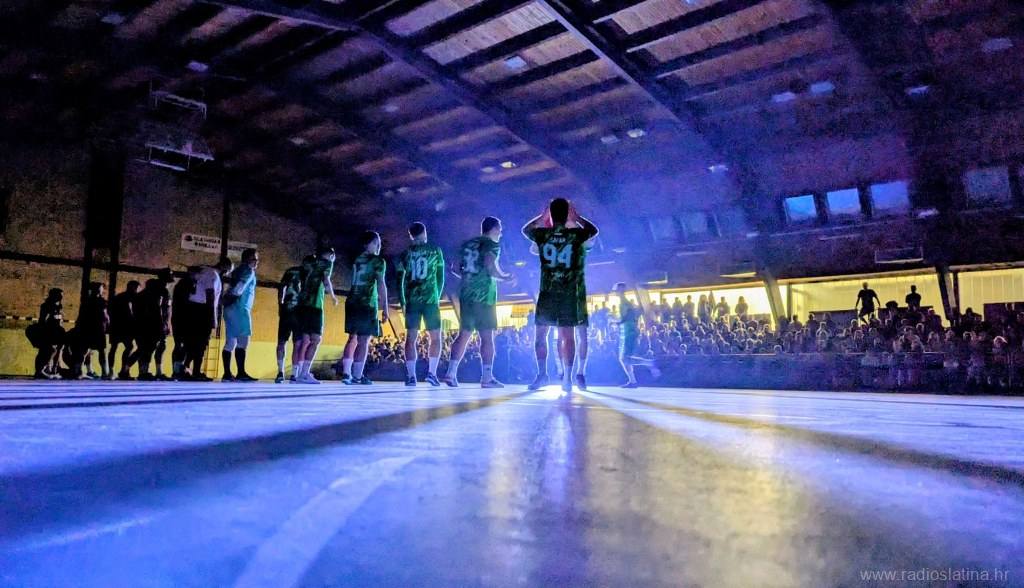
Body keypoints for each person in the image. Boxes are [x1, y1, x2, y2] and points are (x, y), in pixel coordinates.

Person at [522, 198, 598, 393]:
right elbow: (593, 230)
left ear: (551, 214)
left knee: (541, 336)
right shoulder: (575, 235)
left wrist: (542, 217)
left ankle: (542, 375)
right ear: (567, 214)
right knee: (568, 337)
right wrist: (577, 217)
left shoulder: (543, 234)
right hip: (568, 293)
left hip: (547, 292)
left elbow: (526, 230)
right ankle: (567, 379)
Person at [446, 216, 516, 387]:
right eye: (500, 230)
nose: (500, 233)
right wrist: (505, 277)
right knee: (487, 337)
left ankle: (450, 374)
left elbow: (455, 267)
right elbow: (490, 266)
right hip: (483, 295)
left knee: (464, 333)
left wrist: (468, 276)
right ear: (494, 229)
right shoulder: (491, 245)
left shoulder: (467, 244)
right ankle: (487, 377)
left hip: (466, 293)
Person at [396, 222, 445, 387]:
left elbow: (399, 279)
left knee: (411, 338)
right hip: (430, 300)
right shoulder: (435, 250)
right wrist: (436, 296)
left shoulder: (405, 253)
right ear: (425, 233)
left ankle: (411, 376)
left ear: (410, 236)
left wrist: (402, 301)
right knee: (436, 337)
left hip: (412, 300)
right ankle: (432, 373)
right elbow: (440, 276)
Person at [339, 232, 387, 385]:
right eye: (377, 242)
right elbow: (381, 284)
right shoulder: (378, 261)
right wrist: (385, 306)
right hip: (367, 303)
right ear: (372, 243)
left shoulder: (357, 259)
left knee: (352, 337)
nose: (379, 245)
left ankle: (346, 373)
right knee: (364, 340)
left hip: (352, 301)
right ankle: (358, 375)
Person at [294, 246, 338, 384]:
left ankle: (300, 372)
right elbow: (326, 279)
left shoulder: (309, 263)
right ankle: (304, 373)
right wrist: (332, 296)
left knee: (305, 339)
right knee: (316, 339)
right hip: (315, 306)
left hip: (302, 304)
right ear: (331, 256)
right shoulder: (327, 263)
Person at [186, 257, 233, 381]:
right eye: (228, 270)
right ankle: (196, 372)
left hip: (193, 308)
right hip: (202, 309)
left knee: (194, 341)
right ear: (224, 266)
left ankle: (186, 367)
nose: (226, 273)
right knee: (201, 342)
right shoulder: (213, 275)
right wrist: (213, 317)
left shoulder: (205, 271)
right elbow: (210, 296)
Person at [221, 248, 259, 382]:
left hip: (229, 309)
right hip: (240, 308)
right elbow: (239, 288)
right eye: (254, 259)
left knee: (230, 341)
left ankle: (227, 374)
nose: (256, 262)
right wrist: (229, 300)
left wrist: (225, 302)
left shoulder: (236, 271)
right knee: (243, 341)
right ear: (246, 259)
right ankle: (241, 373)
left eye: (257, 259)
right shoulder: (249, 271)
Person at [614, 282, 660, 388]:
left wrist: (619, 322)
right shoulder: (624, 302)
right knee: (624, 359)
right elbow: (634, 313)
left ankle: (649, 363)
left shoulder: (625, 302)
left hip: (630, 332)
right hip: (628, 332)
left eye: (617, 290)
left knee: (625, 359)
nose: (616, 292)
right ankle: (633, 381)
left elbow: (630, 314)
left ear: (621, 291)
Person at [132, 277, 171, 381]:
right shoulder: (152, 296)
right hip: (151, 326)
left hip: (146, 325)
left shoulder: (141, 296)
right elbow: (157, 311)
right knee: (148, 349)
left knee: (149, 348)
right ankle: (144, 372)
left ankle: (144, 371)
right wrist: (163, 324)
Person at [275, 260, 304, 383]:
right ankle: (294, 374)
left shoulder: (290, 271)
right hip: (299, 311)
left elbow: (282, 287)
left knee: (282, 342)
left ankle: (280, 372)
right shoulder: (308, 273)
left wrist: (280, 304)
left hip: (287, 309)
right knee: (297, 344)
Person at [76, 282, 110, 380]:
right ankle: (80, 371)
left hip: (97, 329)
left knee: (96, 351)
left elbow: (106, 316)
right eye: (100, 288)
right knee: (86, 350)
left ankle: (103, 372)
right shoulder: (92, 301)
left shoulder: (98, 301)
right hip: (92, 329)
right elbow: (104, 316)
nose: (101, 290)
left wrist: (107, 326)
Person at [31, 288, 66, 379]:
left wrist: (61, 329)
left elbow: (59, 320)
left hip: (57, 331)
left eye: (62, 295)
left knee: (59, 348)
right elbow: (43, 320)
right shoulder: (46, 306)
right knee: (46, 350)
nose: (61, 297)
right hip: (47, 331)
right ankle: (40, 370)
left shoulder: (59, 306)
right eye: (59, 295)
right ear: (53, 296)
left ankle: (54, 368)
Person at [171, 266, 199, 380]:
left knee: (183, 345)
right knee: (181, 344)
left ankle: (180, 369)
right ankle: (178, 370)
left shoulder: (184, 283)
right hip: (182, 318)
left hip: (181, 317)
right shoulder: (187, 284)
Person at [107, 281, 139, 380]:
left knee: (114, 348)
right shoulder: (132, 298)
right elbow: (131, 314)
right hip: (125, 327)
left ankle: (112, 371)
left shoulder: (118, 297)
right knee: (128, 347)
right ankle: (123, 370)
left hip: (116, 326)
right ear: (133, 287)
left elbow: (109, 311)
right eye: (137, 288)